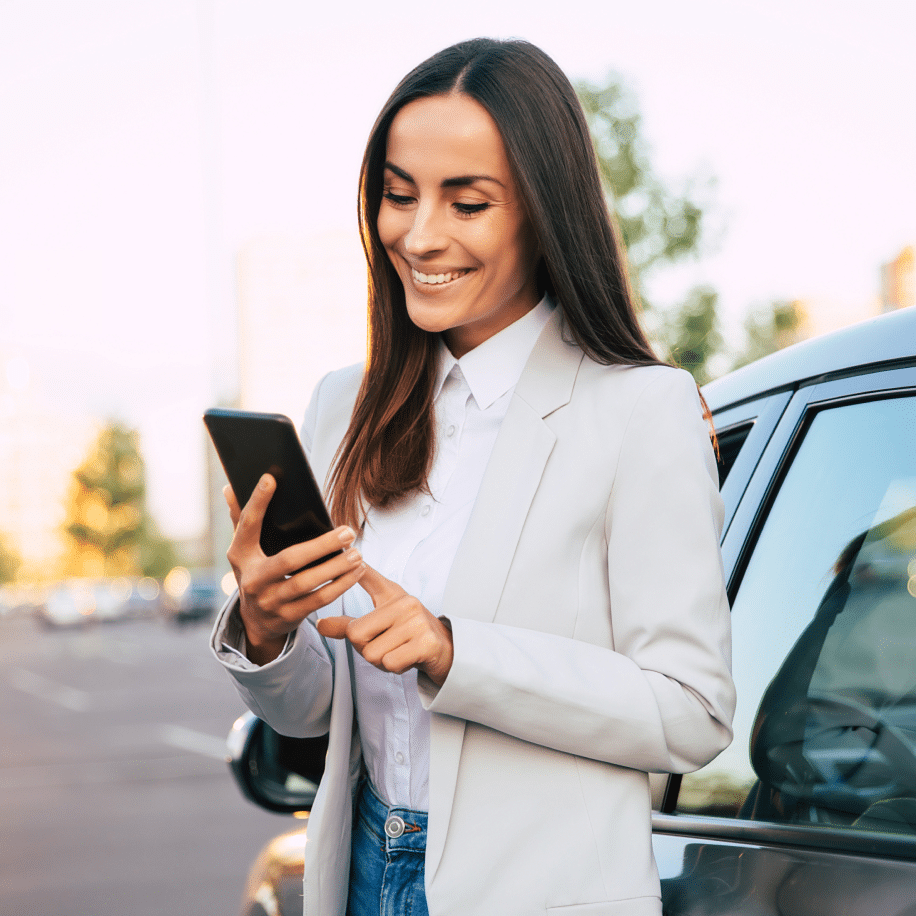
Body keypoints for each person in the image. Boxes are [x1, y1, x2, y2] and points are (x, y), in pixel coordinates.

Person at [211, 37, 736, 916]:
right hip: (365, 870)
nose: (420, 236)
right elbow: (315, 715)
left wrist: (456, 649)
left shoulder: (640, 409)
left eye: (468, 202)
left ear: (543, 210)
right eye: (398, 195)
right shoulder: (345, 405)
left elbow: (692, 712)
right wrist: (267, 632)